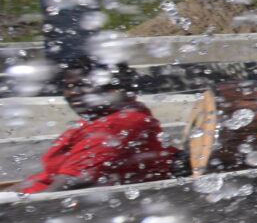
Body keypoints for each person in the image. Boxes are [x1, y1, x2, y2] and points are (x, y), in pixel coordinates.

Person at [19, 62, 177, 194]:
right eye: (68, 86)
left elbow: (73, 182)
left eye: (84, 85)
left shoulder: (121, 123)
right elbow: (45, 177)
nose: (73, 93)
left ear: (113, 88)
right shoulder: (98, 119)